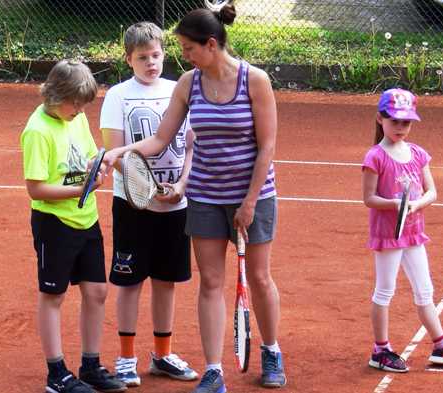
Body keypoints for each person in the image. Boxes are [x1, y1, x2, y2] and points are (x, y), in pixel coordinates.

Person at [103, 3, 286, 391]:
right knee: (211, 282)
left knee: (258, 276)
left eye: (188, 49)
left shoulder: (255, 81)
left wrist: (250, 202)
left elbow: (267, 146)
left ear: (212, 44)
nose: (183, 57)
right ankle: (214, 369)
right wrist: (120, 153)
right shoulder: (190, 83)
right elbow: (160, 139)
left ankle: (271, 351)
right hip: (204, 195)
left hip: (253, 195)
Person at [100, 21, 198, 388]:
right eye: (143, 58)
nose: (151, 63)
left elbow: (190, 145)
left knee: (166, 280)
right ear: (129, 59)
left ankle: (162, 354)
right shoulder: (117, 96)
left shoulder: (178, 90)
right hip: (134, 205)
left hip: (175, 204)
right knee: (129, 282)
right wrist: (147, 188)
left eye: (156, 55)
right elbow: (116, 151)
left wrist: (181, 185)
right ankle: (126, 358)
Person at [20, 60, 126, 393]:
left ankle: (90, 366)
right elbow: (36, 189)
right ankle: (57, 374)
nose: (80, 110)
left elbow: (91, 155)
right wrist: (79, 190)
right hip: (55, 223)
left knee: (97, 292)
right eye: (75, 103)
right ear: (54, 95)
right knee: (53, 295)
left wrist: (99, 165)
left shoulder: (75, 118)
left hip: (87, 219)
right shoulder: (37, 131)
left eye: (84, 104)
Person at [362, 88, 443, 373]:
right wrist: (395, 205)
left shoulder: (417, 154)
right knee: (384, 291)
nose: (401, 128)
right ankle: (381, 349)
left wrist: (413, 206)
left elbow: (432, 192)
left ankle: (441, 345)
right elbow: (369, 198)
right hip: (389, 236)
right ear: (380, 119)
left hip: (413, 233)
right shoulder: (375, 156)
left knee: (425, 291)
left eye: (406, 122)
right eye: (395, 121)